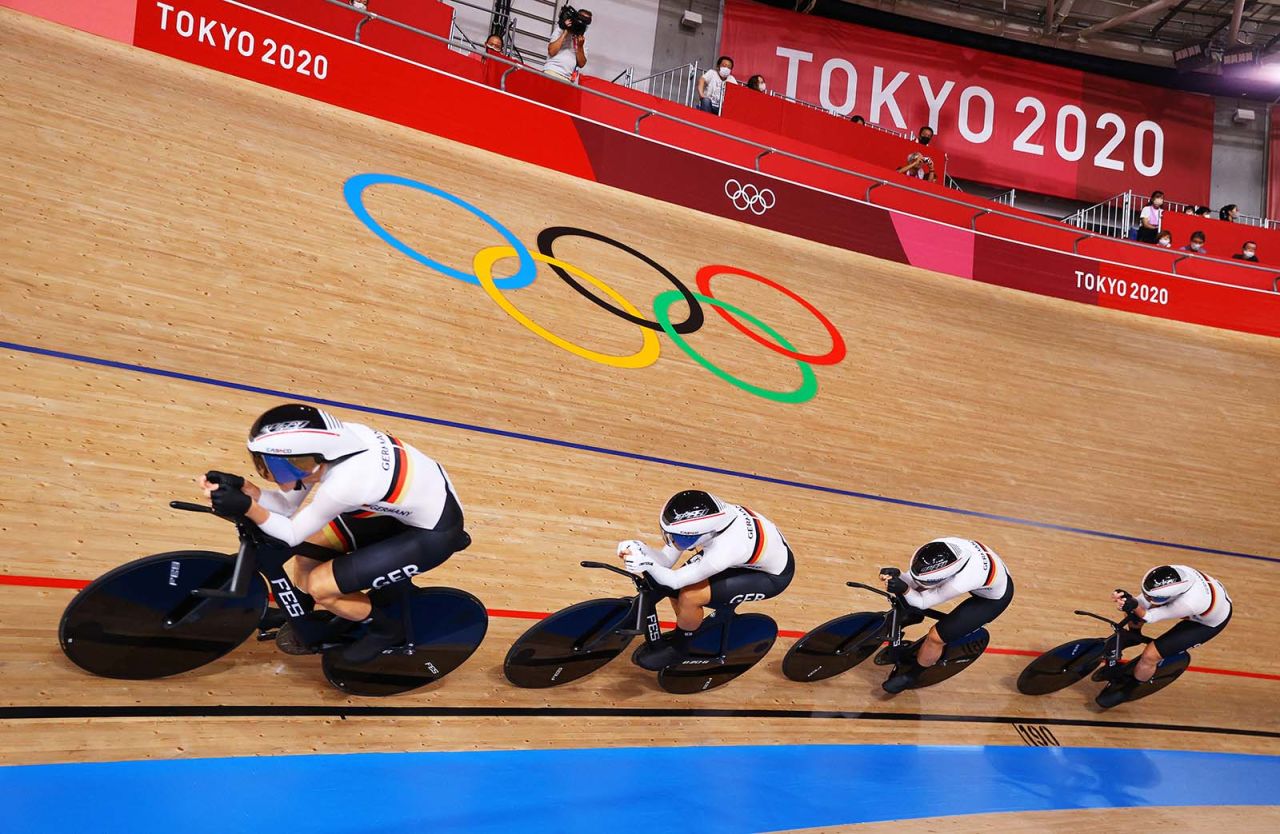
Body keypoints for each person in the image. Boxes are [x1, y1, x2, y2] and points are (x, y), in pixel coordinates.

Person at [200, 403, 469, 665]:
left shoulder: (345, 484)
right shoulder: (332, 448)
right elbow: (286, 505)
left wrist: (247, 507)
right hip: (396, 511)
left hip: (432, 534)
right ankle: (299, 611)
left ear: (303, 462)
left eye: (270, 465)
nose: (266, 471)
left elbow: (289, 533)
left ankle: (386, 629)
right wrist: (245, 488)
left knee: (322, 588)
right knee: (307, 553)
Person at [617, 490, 795, 670]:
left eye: (682, 539)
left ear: (704, 533)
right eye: (670, 534)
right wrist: (639, 547)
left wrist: (646, 563)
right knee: (677, 589)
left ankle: (681, 646)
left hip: (771, 576)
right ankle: (689, 623)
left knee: (689, 596)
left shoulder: (724, 550)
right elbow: (665, 560)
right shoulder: (708, 525)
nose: (675, 542)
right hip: (748, 558)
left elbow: (674, 581)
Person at [878, 538, 1014, 694]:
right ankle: (911, 615)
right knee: (911, 592)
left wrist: (904, 589)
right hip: (986, 573)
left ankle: (912, 675)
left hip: (992, 599)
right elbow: (917, 579)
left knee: (935, 638)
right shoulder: (942, 544)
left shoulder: (963, 581)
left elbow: (923, 602)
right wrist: (900, 576)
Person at [1104, 566, 1232, 706]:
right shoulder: (1174, 572)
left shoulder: (1189, 603)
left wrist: (1134, 605)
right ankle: (1134, 636)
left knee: (1150, 656)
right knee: (1134, 610)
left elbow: (1150, 617)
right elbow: (1142, 603)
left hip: (1205, 624)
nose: (1148, 598)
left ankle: (1131, 687)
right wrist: (1127, 599)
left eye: (1153, 597)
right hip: (1203, 599)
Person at [543, 8, 591, 81]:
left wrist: (580, 46)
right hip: (551, 71)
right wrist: (565, 32)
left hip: (567, 79)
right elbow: (552, 51)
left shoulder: (582, 40)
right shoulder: (560, 29)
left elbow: (581, 64)